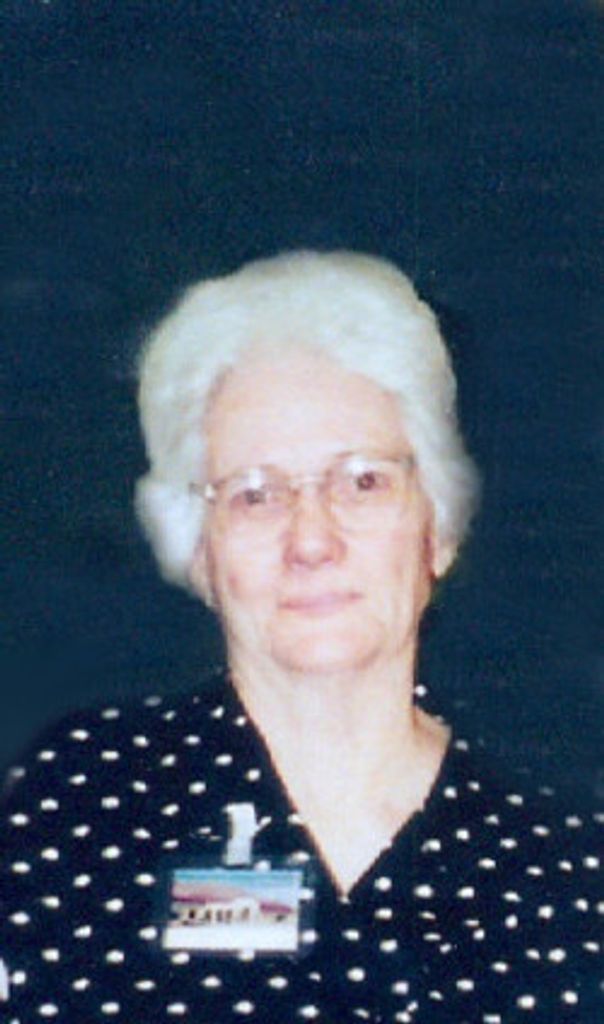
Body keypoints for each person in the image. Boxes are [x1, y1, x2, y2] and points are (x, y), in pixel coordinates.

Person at [0, 251, 601, 1023]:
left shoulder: (567, 853)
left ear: (439, 528)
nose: (311, 540)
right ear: (198, 549)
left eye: (363, 481)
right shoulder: (74, 808)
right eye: (255, 495)